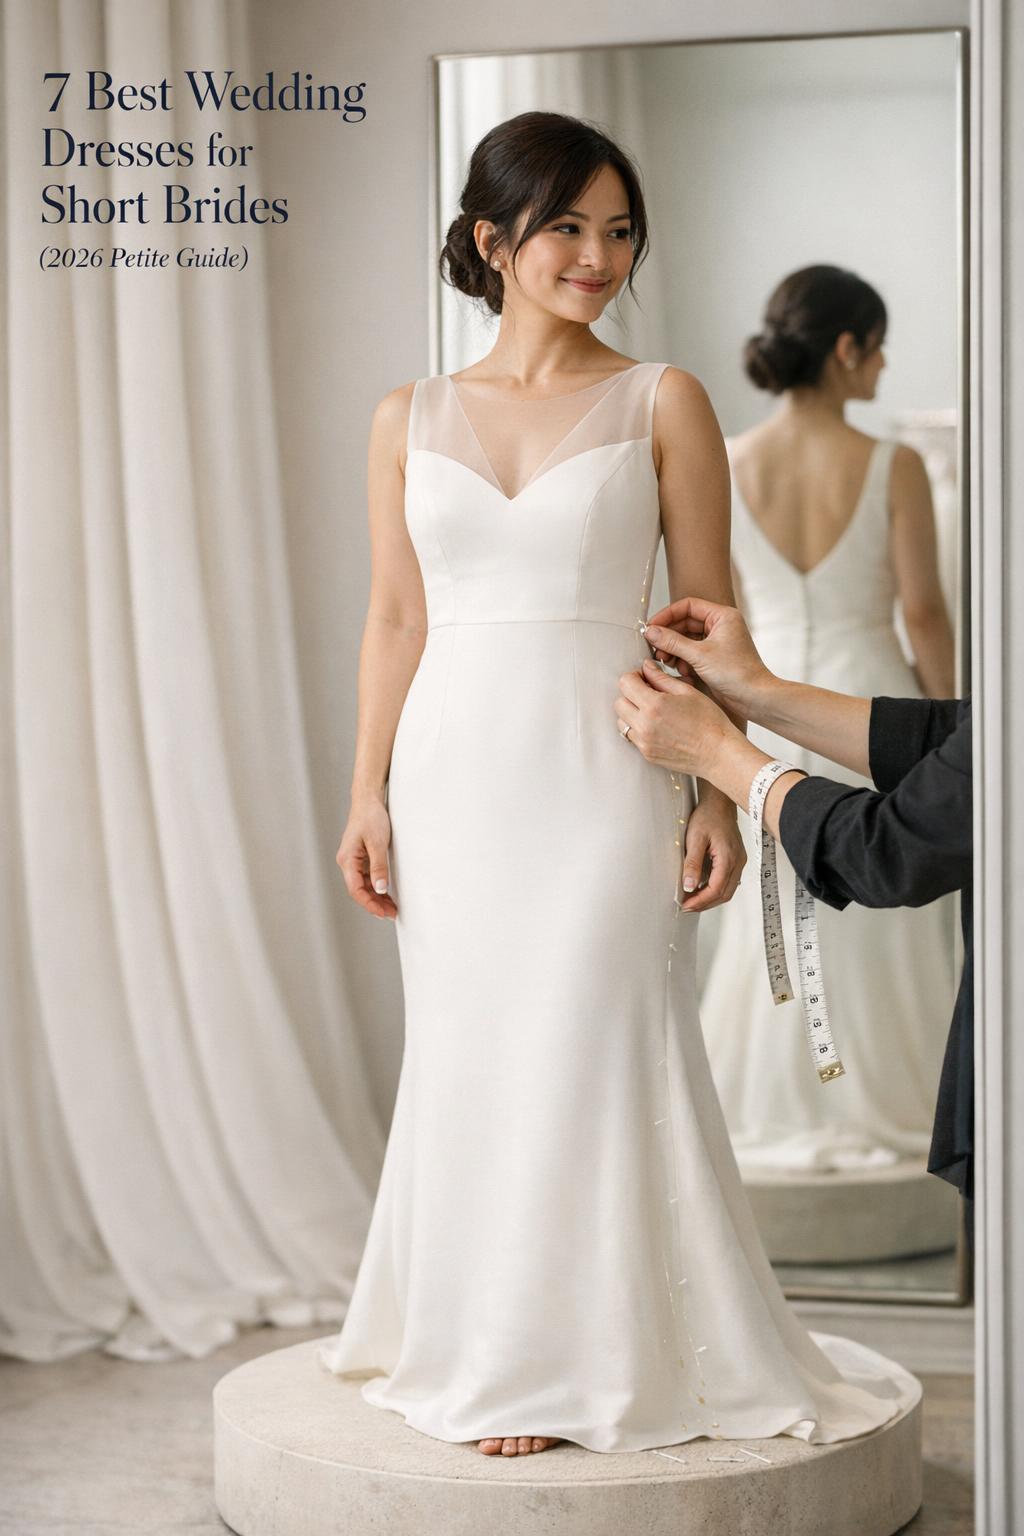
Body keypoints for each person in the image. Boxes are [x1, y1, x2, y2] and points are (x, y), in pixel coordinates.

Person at [318, 110, 919, 1459]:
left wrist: (717, 791)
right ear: (493, 240)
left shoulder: (666, 397)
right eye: (568, 228)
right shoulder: (404, 415)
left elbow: (713, 616)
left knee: (591, 1041)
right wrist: (367, 792)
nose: (600, 256)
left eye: (619, 229)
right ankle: (487, 1338)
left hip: (610, 760)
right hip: (454, 771)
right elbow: (396, 623)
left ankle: (565, 1362)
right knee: (477, 1049)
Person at [698, 264, 959, 1176]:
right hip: (869, 705)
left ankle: (787, 1095)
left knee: (785, 901)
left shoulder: (726, 461)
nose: (885, 366)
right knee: (885, 898)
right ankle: (896, 1099)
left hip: (766, 707)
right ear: (847, 349)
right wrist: (951, 736)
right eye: (878, 346)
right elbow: (924, 613)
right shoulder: (895, 464)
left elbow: (714, 607)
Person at [617, 596, 972, 1249]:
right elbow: (963, 740)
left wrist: (719, 755)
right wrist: (757, 694)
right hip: (855, 670)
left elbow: (890, 852)